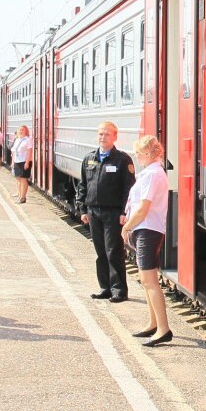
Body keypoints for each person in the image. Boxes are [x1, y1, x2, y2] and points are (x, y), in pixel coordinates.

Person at [75, 122, 135, 302]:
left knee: (113, 251)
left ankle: (119, 290)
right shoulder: (89, 158)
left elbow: (128, 188)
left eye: (107, 134)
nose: (103, 137)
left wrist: (124, 212)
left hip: (113, 213)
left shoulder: (122, 160)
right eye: (100, 134)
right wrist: (82, 209)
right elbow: (83, 185)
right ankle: (105, 288)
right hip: (93, 212)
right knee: (100, 252)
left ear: (115, 137)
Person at [122, 135, 171, 346]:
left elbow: (143, 208)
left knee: (149, 281)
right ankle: (153, 323)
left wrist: (127, 226)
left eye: (139, 153)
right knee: (146, 281)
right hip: (146, 229)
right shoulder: (151, 173)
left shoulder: (153, 174)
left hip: (148, 230)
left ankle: (163, 329)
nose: (136, 156)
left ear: (149, 153)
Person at [11, 125, 33, 204]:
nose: (21, 131)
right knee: (18, 180)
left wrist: (27, 162)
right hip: (17, 161)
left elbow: (30, 151)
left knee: (23, 180)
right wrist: (12, 162)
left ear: (26, 131)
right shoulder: (17, 139)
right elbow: (14, 151)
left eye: (23, 130)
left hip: (24, 161)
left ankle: (23, 197)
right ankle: (20, 196)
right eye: (19, 130)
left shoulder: (28, 139)